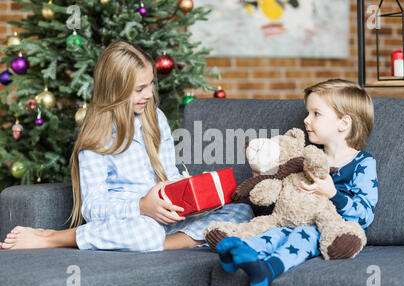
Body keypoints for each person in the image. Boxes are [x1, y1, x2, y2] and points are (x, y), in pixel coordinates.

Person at [0, 40, 253, 251]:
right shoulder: (97, 136)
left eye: (151, 84)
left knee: (242, 212)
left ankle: (160, 244)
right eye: (139, 89)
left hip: (165, 219)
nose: (149, 94)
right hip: (132, 220)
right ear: (115, 91)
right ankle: (51, 238)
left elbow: (170, 175)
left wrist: (191, 196)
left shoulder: (156, 118)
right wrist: (142, 206)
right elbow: (92, 208)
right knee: (145, 232)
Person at [215, 79, 378, 286]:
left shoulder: (363, 163)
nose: (306, 120)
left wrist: (333, 194)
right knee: (276, 232)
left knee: (303, 234)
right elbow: (283, 206)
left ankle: (268, 270)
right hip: (292, 221)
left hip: (331, 229)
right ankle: (239, 252)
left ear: (343, 123)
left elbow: (365, 215)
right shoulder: (304, 158)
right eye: (308, 113)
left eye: (316, 114)